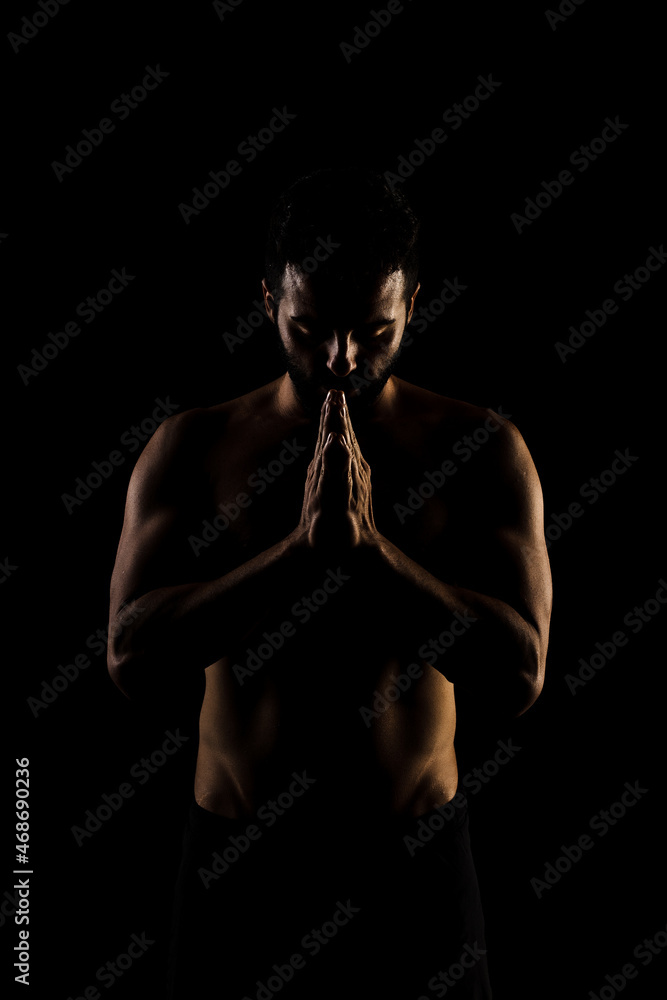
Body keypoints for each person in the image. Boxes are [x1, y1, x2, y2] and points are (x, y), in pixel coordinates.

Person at [107, 167, 552, 998]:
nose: (340, 360)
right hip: (237, 868)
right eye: (309, 327)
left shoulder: (482, 450)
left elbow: (520, 675)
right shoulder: (192, 447)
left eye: (372, 331)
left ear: (412, 305)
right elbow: (130, 658)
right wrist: (296, 556)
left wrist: (372, 555)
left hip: (412, 874)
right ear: (267, 298)